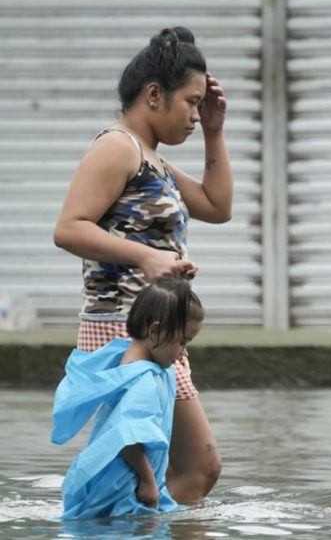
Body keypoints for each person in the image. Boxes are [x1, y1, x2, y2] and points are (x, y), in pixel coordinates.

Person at [52, 26, 231, 504]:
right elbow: (69, 228)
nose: (195, 115)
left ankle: (129, 526)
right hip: (126, 329)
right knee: (197, 466)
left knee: (161, 470)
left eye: (200, 106)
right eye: (191, 103)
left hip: (156, 328)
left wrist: (215, 130)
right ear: (154, 94)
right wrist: (147, 256)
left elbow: (217, 205)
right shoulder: (118, 147)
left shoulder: (152, 159)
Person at [52, 278, 205, 519]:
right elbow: (127, 435)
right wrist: (147, 481)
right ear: (155, 331)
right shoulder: (143, 380)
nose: (184, 351)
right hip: (123, 484)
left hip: (117, 479)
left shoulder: (127, 359)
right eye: (183, 341)